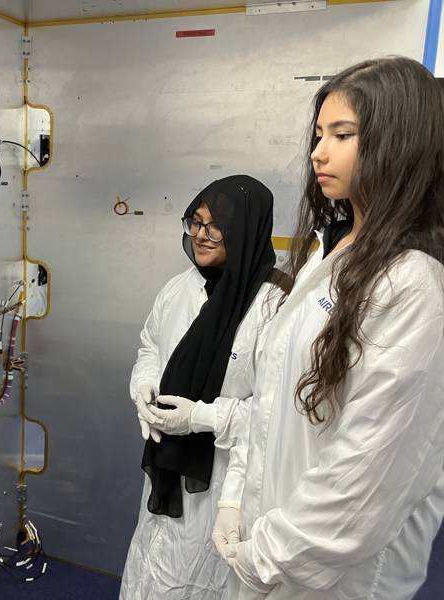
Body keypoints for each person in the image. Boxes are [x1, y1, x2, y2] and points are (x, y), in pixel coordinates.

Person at [214, 56, 444, 600]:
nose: (318, 151)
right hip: (272, 545)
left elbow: (365, 475)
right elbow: (272, 395)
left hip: (331, 576)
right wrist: (235, 498)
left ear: (401, 142)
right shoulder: (330, 250)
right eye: (320, 134)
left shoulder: (415, 286)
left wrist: (265, 557)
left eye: (342, 134)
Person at [121, 175, 286, 599]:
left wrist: (200, 418)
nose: (200, 236)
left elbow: (277, 415)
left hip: (226, 479)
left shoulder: (274, 306)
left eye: (216, 226)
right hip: (166, 466)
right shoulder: (180, 287)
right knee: (151, 566)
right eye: (194, 222)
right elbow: (150, 346)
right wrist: (143, 385)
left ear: (246, 229)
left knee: (204, 580)